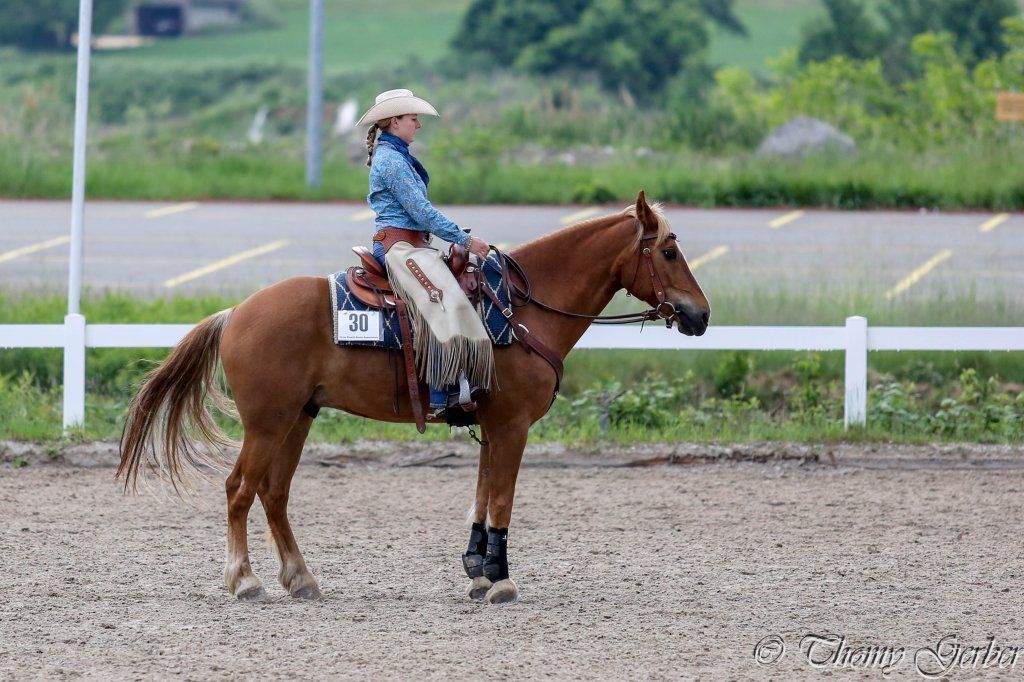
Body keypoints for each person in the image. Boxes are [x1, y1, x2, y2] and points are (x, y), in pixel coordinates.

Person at [357, 89, 493, 418]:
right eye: (413, 119)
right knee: (437, 297)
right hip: (399, 246)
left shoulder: (397, 156)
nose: (418, 125)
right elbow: (421, 212)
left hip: (412, 244)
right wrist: (465, 240)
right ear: (395, 122)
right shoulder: (393, 161)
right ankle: (441, 392)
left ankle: (458, 378)